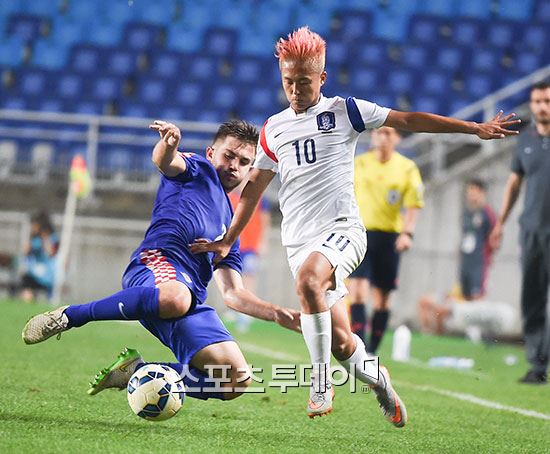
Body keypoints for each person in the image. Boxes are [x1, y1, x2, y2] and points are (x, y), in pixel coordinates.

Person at [190, 27, 519, 423]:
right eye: (288, 81)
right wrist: (229, 238)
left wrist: (473, 128)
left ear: (322, 79)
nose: (295, 89)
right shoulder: (273, 129)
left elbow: (409, 119)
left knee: (309, 281)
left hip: (343, 230)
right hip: (300, 243)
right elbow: (253, 191)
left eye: (304, 82)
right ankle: (380, 382)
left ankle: (320, 383)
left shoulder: (345, 111)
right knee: (343, 341)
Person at [22, 119, 300, 402]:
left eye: (243, 162)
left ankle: (137, 370)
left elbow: (233, 295)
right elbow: (166, 162)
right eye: (228, 155)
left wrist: (278, 314)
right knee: (175, 297)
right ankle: (70, 316)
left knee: (235, 380)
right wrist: (167, 145)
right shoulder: (197, 169)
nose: (234, 165)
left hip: (188, 300)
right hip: (155, 267)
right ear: (211, 153)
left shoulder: (231, 229)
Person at [489, 81, 550, 385]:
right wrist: (500, 223)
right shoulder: (524, 141)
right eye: (537, 101)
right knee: (533, 298)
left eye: (547, 101)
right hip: (532, 231)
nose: (542, 106)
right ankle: (537, 365)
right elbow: (514, 184)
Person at [347, 126, 424, 354]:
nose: (382, 137)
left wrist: (407, 233)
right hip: (360, 233)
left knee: (381, 298)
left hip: (389, 236)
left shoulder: (407, 168)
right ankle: (359, 348)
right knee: (358, 290)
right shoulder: (358, 163)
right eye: (379, 132)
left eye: (389, 133)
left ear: (398, 138)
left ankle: (372, 350)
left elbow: (413, 204)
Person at [419, 179, 498, 335]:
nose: (471, 194)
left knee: (477, 296)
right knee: (465, 295)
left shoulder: (488, 213)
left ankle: (476, 334)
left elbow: (495, 236)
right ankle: (468, 332)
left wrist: (489, 253)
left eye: (474, 191)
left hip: (479, 263)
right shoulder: (466, 213)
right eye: (469, 191)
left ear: (482, 193)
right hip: (465, 263)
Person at [228, 180, 271, 332]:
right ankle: (234, 308)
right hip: (234, 245)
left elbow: (265, 221)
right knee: (233, 277)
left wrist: (263, 242)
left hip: (251, 246)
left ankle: (248, 311)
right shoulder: (230, 196)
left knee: (249, 277)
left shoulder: (260, 198)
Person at [19, 212, 59, 302]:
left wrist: (44, 238)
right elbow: (25, 252)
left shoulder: (52, 238)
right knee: (25, 279)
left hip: (48, 274)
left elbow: (51, 253)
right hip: (34, 273)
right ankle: (28, 301)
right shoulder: (35, 239)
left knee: (27, 280)